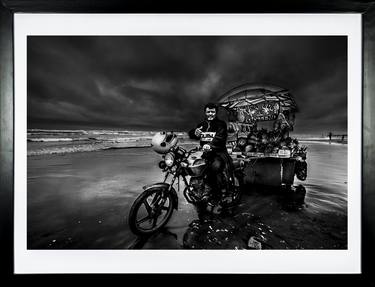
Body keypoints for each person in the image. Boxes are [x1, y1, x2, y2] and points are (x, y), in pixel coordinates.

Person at [188, 103, 234, 211]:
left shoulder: (221, 124)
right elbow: (192, 134)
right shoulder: (202, 124)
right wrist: (194, 132)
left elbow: (220, 137)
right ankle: (200, 191)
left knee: (215, 167)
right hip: (206, 153)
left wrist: (211, 145)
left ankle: (218, 193)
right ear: (205, 112)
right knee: (198, 168)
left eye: (212, 112)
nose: (210, 114)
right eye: (208, 111)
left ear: (215, 112)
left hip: (219, 153)